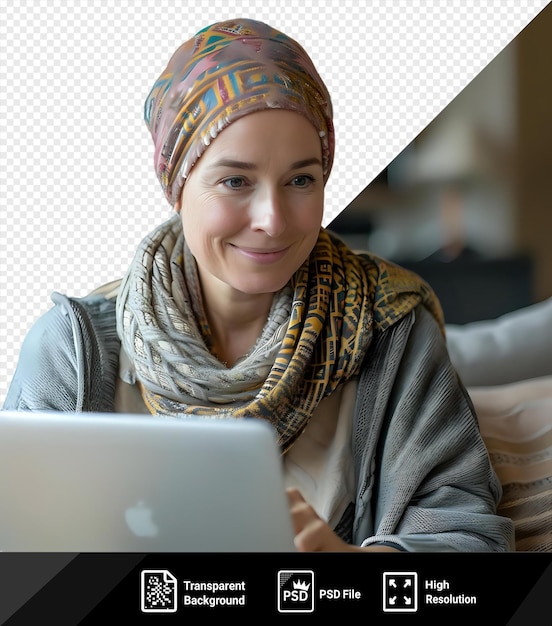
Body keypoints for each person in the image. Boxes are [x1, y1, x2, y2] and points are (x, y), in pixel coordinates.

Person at [3, 18, 514, 553]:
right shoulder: (72, 351)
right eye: (235, 181)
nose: (273, 219)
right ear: (177, 186)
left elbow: (469, 540)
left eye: (301, 179)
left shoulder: (391, 330)